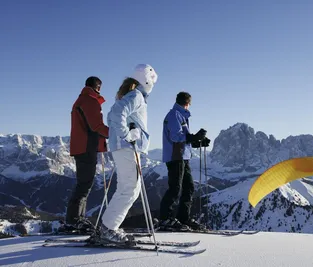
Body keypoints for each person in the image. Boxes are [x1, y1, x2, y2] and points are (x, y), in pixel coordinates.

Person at [98, 64, 158, 243]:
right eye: (153, 79)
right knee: (129, 188)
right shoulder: (136, 95)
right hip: (126, 147)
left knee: (131, 187)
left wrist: (127, 135)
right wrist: (127, 134)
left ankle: (108, 226)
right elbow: (115, 114)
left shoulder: (132, 95)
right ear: (146, 80)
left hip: (126, 147)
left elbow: (113, 115)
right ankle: (108, 228)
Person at [158, 91, 211, 231]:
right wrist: (194, 137)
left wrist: (198, 141)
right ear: (187, 104)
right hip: (175, 157)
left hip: (183, 156)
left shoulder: (180, 115)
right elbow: (176, 137)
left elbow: (184, 138)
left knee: (189, 187)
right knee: (175, 188)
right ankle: (165, 218)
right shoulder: (174, 115)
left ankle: (183, 218)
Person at [66, 76, 109, 232]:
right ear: (97, 87)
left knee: (84, 184)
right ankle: (74, 220)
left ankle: (77, 219)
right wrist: (113, 133)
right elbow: (96, 125)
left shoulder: (81, 100)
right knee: (84, 184)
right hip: (86, 147)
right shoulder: (90, 101)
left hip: (81, 146)